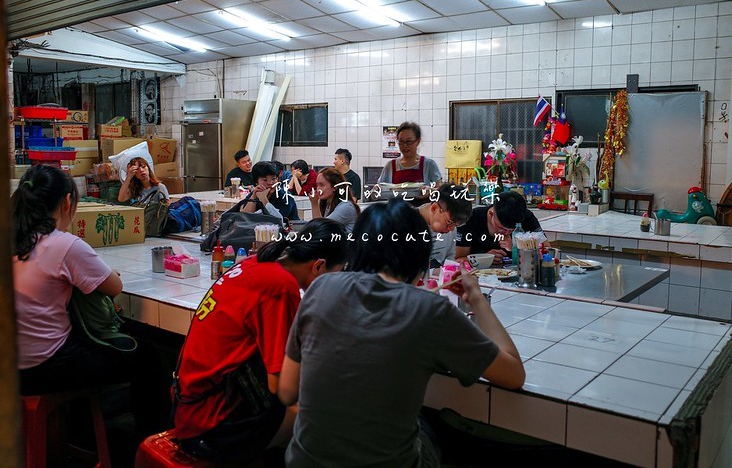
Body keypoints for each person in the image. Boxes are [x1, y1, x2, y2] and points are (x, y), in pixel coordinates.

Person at [278, 198, 525, 467]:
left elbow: (288, 391)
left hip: (303, 460)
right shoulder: (431, 311)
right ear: (419, 254)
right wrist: (475, 297)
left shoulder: (320, 289)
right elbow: (513, 375)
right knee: (437, 428)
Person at [173, 219, 347, 464]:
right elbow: (282, 388)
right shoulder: (281, 286)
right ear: (319, 266)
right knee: (327, 415)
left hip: (189, 410)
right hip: (213, 425)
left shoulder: (259, 264)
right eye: (337, 276)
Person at [13, 165, 167, 437]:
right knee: (148, 356)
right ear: (68, 202)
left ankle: (80, 433)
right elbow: (114, 286)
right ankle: (148, 442)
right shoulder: (62, 243)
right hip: (42, 366)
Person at [455, 190, 548, 266]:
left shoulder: (526, 217)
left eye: (511, 231)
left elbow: (546, 250)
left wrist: (516, 247)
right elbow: (458, 260)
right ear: (491, 214)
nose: (506, 233)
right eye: (501, 228)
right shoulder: (471, 219)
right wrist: (484, 258)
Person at [416, 183, 473, 266]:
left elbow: (449, 257)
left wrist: (453, 266)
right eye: (449, 222)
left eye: (456, 225)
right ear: (434, 208)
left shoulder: (450, 224)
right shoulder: (405, 224)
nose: (452, 229)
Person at [377, 122, 442, 187]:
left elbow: (439, 190)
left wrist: (430, 191)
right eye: (401, 142)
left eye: (409, 141)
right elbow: (379, 190)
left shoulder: (429, 165)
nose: (405, 146)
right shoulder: (390, 166)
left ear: (418, 141)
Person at [308, 167, 360, 233]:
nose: (318, 189)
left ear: (335, 187)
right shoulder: (327, 204)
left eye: (322, 185)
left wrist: (314, 204)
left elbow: (321, 229)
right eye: (317, 185)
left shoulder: (346, 206)